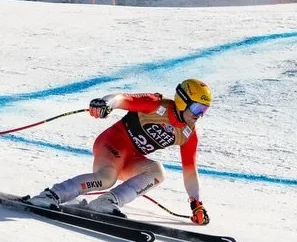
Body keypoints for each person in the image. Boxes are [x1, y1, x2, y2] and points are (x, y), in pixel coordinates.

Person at [25, 79, 213, 225]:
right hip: (111, 144)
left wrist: (196, 204)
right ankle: (50, 196)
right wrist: (106, 103)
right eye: (197, 107)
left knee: (158, 172)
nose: (199, 114)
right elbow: (122, 98)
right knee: (106, 178)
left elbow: (190, 171)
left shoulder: (188, 135)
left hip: (130, 159)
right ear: (182, 101)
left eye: (204, 110)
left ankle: (107, 202)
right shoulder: (157, 105)